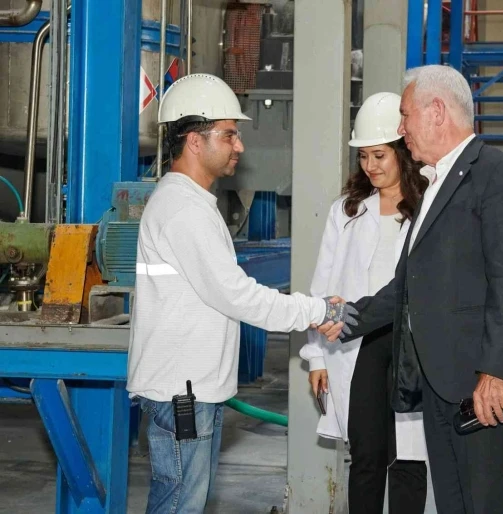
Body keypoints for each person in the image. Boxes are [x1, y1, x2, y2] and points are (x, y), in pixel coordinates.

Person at [318, 64, 503, 514]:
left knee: (487, 505)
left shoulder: (500, 176)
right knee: (454, 505)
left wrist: (494, 373)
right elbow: (407, 286)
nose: (401, 129)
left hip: (482, 384)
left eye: (405, 115)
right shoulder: (434, 183)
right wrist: (343, 318)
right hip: (442, 384)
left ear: (437, 112)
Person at [127, 73, 349, 514]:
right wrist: (317, 310)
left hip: (189, 390)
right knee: (179, 504)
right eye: (229, 135)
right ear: (194, 141)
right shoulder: (183, 210)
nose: (240, 146)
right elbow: (237, 296)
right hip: (182, 393)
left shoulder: (192, 204)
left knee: (184, 501)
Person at [301, 92, 430, 514]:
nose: (370, 166)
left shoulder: (428, 206)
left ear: (402, 152)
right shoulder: (347, 211)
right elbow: (323, 287)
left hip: (411, 347)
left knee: (410, 459)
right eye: (363, 156)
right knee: (367, 459)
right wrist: (316, 358)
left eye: (379, 155)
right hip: (358, 347)